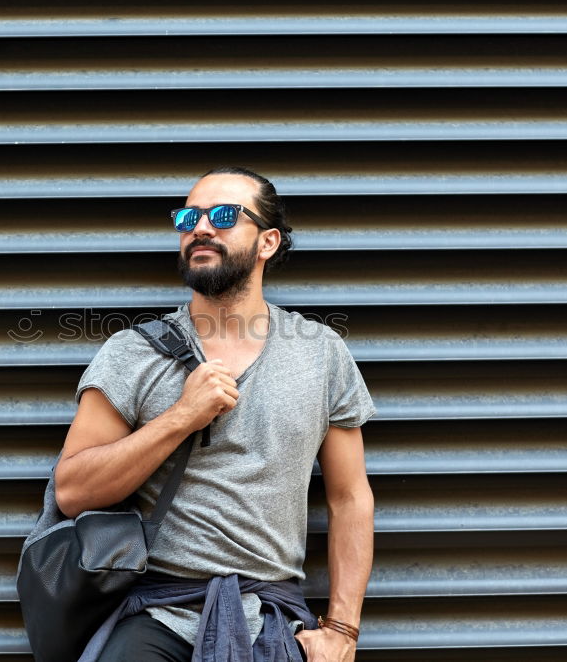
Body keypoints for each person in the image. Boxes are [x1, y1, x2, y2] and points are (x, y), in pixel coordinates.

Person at [53, 166, 376, 661]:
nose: (200, 227)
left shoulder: (321, 353)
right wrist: (181, 416)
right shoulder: (132, 354)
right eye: (188, 217)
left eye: (223, 215)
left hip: (269, 618)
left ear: (267, 242)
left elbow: (350, 498)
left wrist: (342, 630)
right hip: (156, 612)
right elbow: (73, 491)